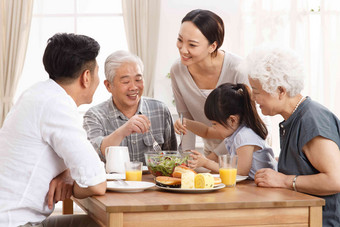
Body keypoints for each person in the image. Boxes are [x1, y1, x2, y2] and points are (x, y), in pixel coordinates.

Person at [0, 33, 106, 227]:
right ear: (86, 77)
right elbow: (96, 183)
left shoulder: (38, 94)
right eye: (98, 72)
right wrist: (74, 184)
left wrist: (67, 175)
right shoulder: (58, 105)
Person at [240, 46, 340, 226]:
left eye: (256, 92)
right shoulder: (294, 118)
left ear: (280, 91)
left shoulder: (312, 119)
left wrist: (285, 180)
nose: (254, 99)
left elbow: (335, 180)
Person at [170, 9, 250, 157]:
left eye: (192, 45)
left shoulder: (239, 69)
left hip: (245, 147)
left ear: (213, 46)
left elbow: (246, 123)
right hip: (210, 147)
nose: (183, 49)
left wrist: (213, 158)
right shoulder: (177, 70)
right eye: (180, 40)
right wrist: (188, 158)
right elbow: (186, 121)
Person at [83, 50, 177, 164]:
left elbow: (172, 157)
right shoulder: (94, 116)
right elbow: (93, 155)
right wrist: (123, 131)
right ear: (108, 86)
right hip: (113, 182)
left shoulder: (160, 110)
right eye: (126, 81)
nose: (134, 87)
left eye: (138, 79)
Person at [175, 83, 277, 179]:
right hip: (253, 185)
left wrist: (206, 162)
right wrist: (186, 123)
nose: (213, 127)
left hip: (264, 188)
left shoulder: (245, 135)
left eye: (215, 123)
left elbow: (240, 172)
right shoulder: (236, 131)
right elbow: (206, 131)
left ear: (232, 120)